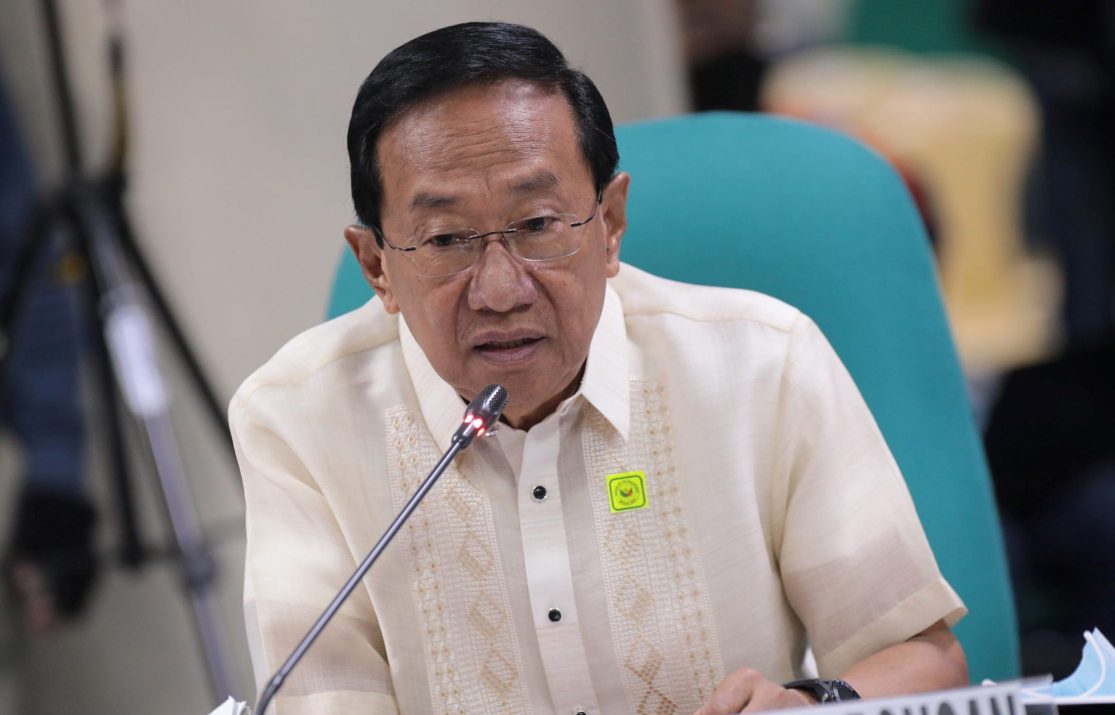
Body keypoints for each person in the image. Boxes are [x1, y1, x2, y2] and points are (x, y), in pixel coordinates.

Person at [230, 22, 968, 714]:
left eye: (537, 225)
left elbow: (919, 657)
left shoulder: (763, 362)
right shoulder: (295, 420)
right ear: (376, 266)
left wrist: (812, 704)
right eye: (447, 239)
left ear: (610, 224)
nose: (500, 290)